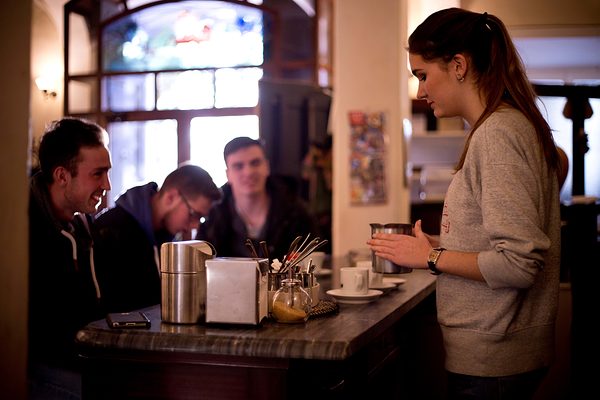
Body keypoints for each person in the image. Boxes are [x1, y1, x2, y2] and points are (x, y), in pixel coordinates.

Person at [367, 8, 565, 399]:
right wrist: (435, 245)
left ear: (458, 65)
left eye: (423, 75)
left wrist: (430, 258)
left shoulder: (498, 134)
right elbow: (499, 241)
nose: (421, 92)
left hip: (495, 359)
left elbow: (519, 263)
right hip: (498, 353)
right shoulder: (502, 126)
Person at [28, 117, 112, 399]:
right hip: (41, 368)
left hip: (87, 358)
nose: (107, 185)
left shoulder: (84, 224)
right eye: (98, 174)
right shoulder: (21, 227)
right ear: (63, 176)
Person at [94, 164, 221, 313]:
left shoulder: (166, 238)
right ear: (171, 197)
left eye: (201, 219)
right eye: (194, 214)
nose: (194, 226)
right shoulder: (110, 231)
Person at [196, 136, 318, 261]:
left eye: (255, 163)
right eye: (238, 166)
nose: (248, 172)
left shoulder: (296, 214)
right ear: (228, 175)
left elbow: (314, 261)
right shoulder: (213, 218)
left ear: (267, 167)